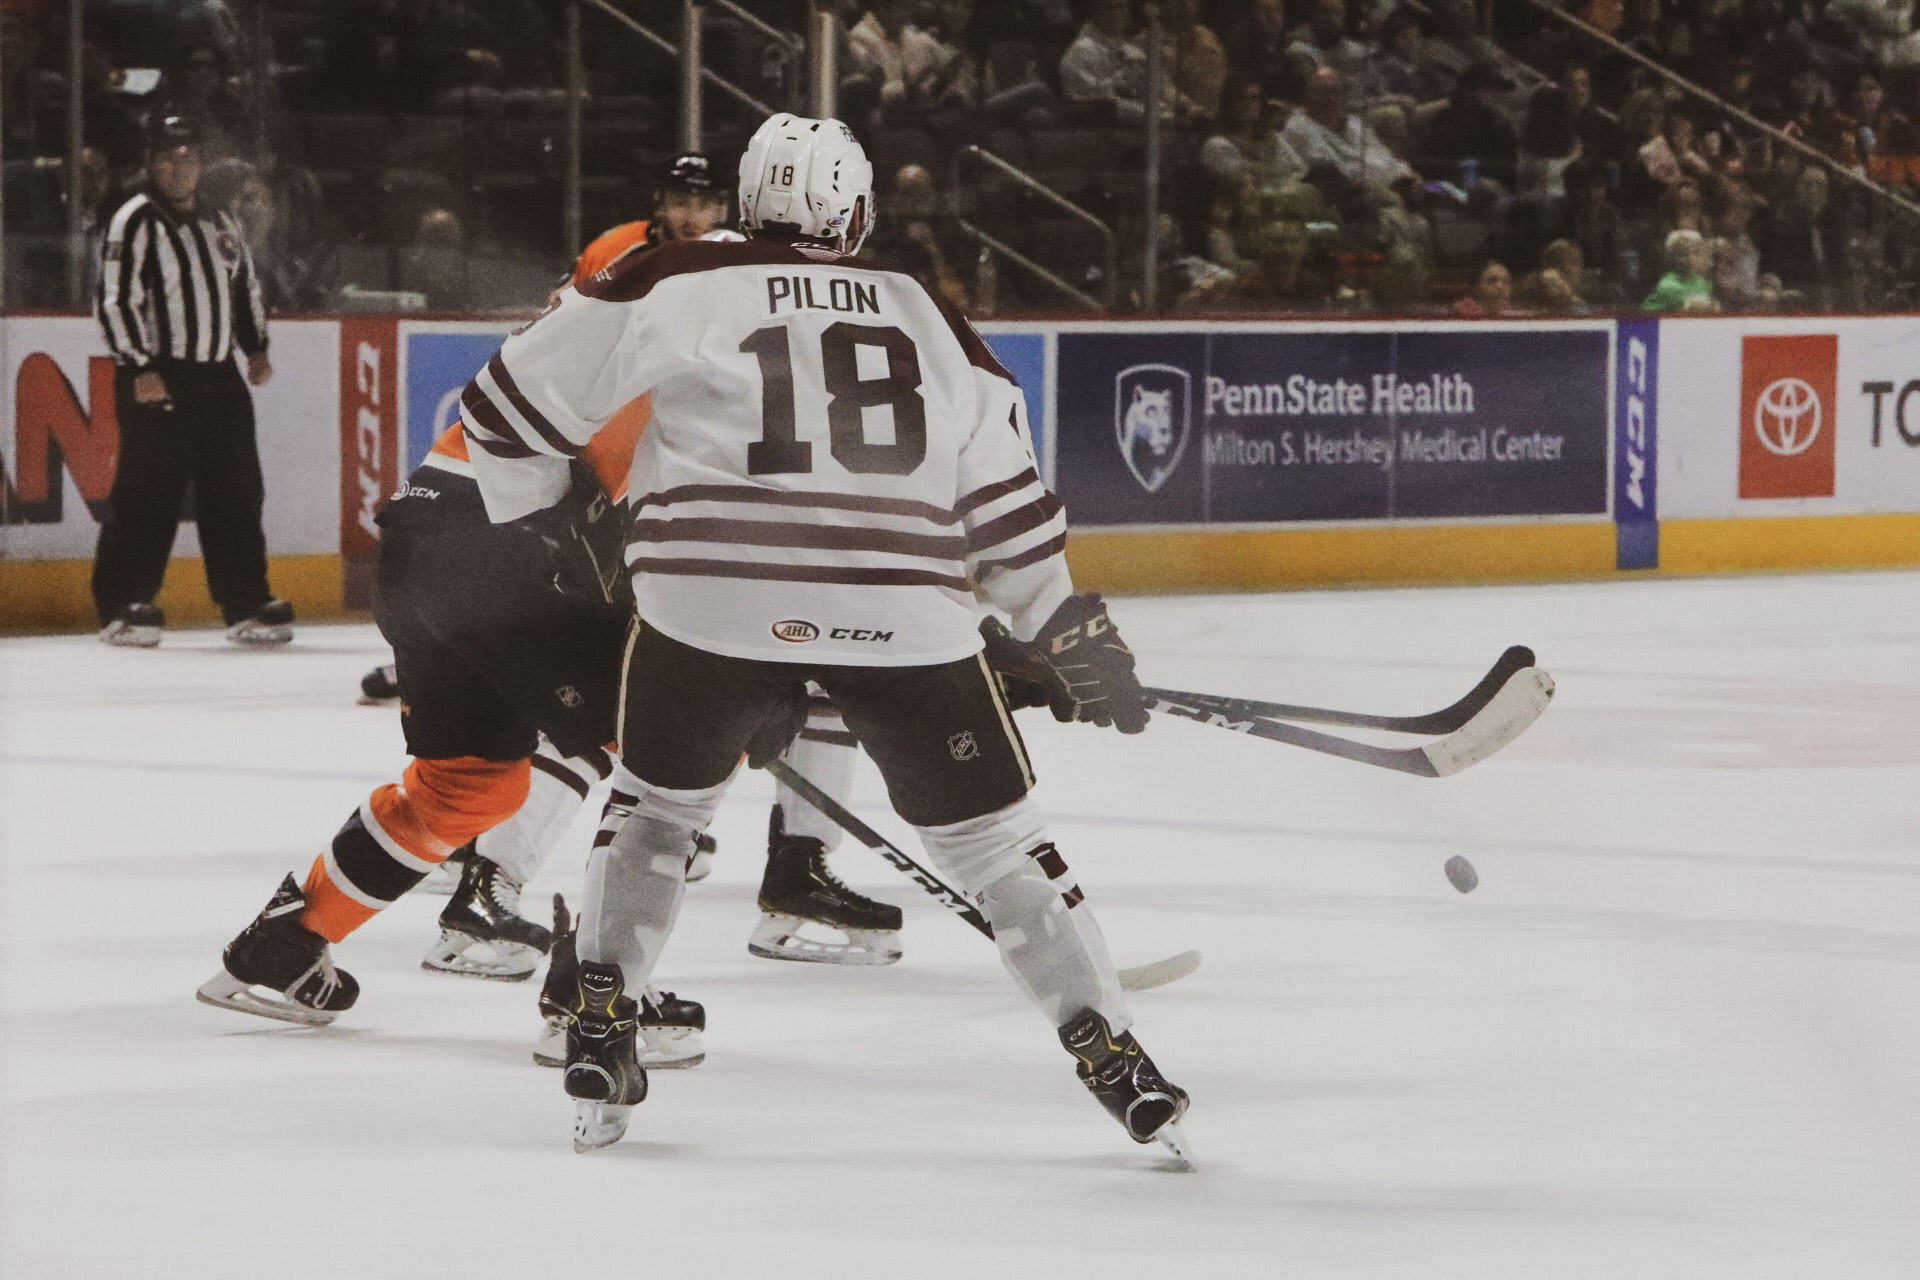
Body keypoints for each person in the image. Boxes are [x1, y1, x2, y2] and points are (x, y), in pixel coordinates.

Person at [460, 112, 1187, 1158]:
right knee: (996, 842)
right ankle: (1112, 1048)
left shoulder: (669, 278)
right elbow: (1006, 500)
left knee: (657, 810)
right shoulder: (926, 311)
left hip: (707, 602)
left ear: (750, 203)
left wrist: (549, 529)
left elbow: (502, 408)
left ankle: (606, 1005)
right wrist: (1067, 626)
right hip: (902, 609)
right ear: (854, 212)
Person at [93, 116, 292, 649]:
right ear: (151, 161)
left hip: (217, 375)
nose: (177, 166)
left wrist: (255, 348)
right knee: (147, 492)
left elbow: (243, 286)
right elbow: (115, 298)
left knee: (237, 490)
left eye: (187, 156)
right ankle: (124, 604)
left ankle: (245, 601)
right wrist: (138, 366)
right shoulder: (134, 219)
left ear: (201, 162)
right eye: (166, 156)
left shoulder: (219, 218)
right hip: (161, 374)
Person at [1642, 227, 1717, 309]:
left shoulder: (1704, 283)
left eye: (1694, 252)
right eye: (1682, 254)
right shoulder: (1667, 285)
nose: (1689, 258)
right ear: (1672, 258)